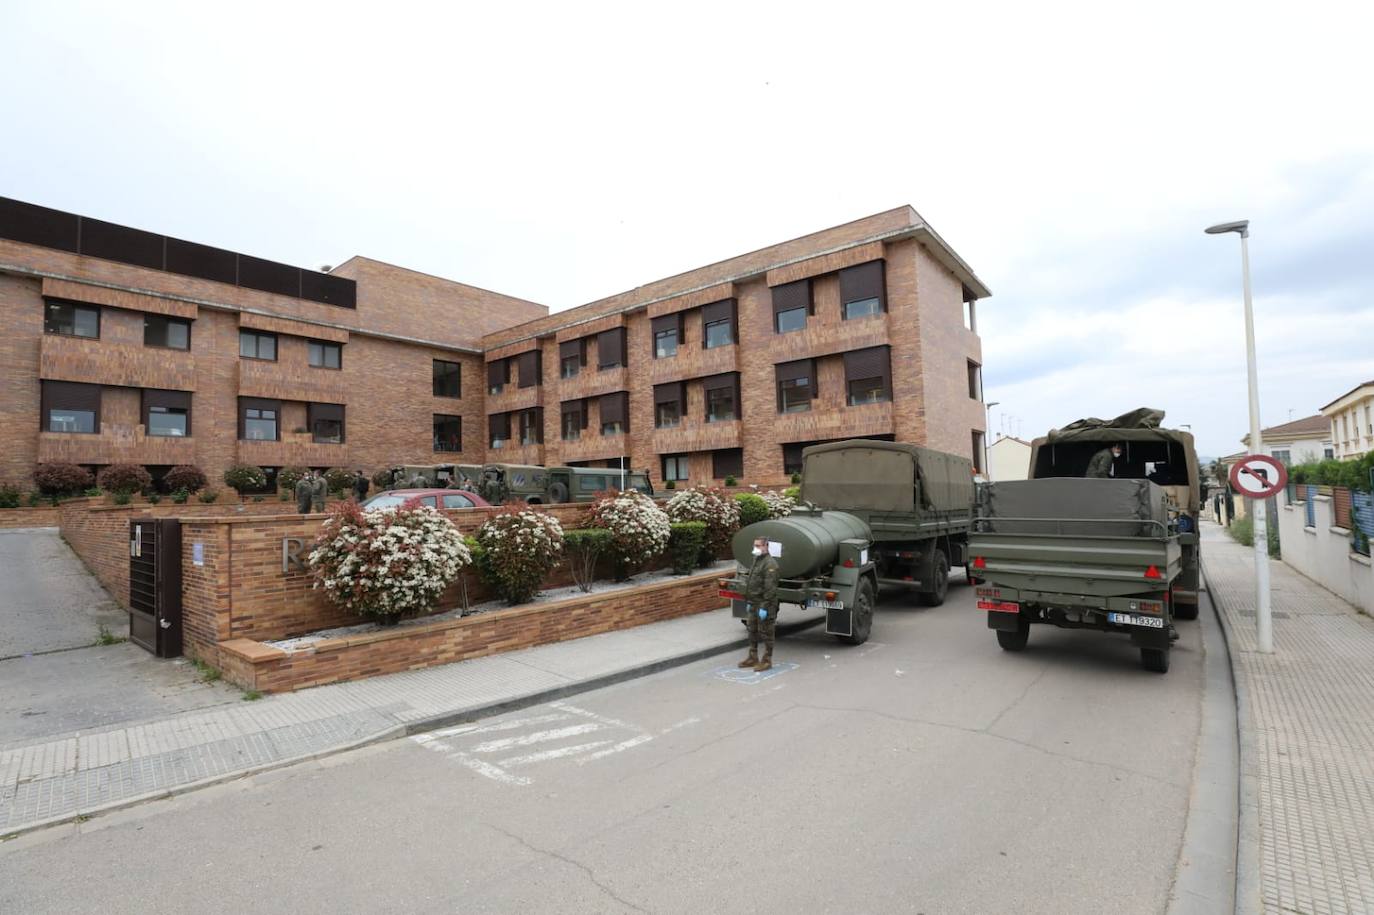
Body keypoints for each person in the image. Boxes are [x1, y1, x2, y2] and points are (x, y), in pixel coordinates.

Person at [739, 536, 780, 672]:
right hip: (754, 602)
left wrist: (764, 607)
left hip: (765, 604)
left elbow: (770, 589)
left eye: (758, 546)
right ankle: (753, 657)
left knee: (767, 633)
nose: (755, 548)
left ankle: (767, 660)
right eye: (754, 545)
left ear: (766, 546)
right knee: (752, 630)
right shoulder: (757, 560)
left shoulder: (770, 564)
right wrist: (750, 601)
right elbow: (752, 582)